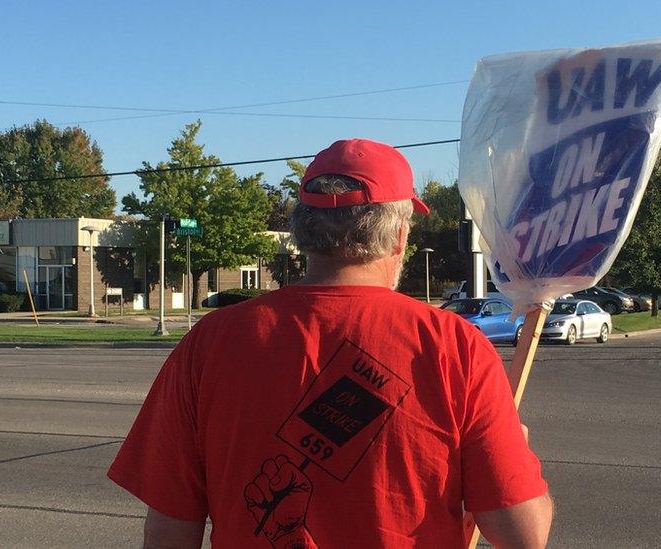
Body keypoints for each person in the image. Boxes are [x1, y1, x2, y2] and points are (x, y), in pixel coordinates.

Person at [108, 138, 553, 548]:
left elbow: (169, 531)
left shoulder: (210, 342)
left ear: (302, 229)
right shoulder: (454, 346)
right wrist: (516, 450)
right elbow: (522, 535)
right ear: (399, 234)